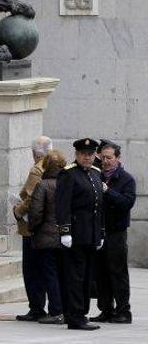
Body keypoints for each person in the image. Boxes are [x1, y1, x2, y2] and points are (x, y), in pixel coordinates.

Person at [56, 138, 105, 331]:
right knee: (75, 277)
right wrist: (65, 231)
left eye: (91, 154)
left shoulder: (95, 174)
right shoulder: (69, 174)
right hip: (75, 234)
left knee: (86, 276)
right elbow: (62, 205)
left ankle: (81, 313)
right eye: (84, 154)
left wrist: (100, 232)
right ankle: (75, 316)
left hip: (91, 234)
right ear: (77, 155)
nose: (88, 157)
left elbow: (99, 207)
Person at [91, 139, 136, 324]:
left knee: (118, 273)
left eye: (109, 158)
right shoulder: (97, 175)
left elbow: (127, 203)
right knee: (100, 273)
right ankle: (106, 309)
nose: (105, 161)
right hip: (99, 232)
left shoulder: (126, 179)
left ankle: (124, 311)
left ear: (118, 158)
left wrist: (108, 191)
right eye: (103, 158)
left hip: (116, 232)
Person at [14, 135, 53, 322]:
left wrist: (17, 211)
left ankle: (36, 307)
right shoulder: (58, 167)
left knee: (31, 270)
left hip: (32, 227)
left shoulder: (37, 170)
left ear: (34, 154)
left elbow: (31, 198)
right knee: (47, 269)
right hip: (50, 228)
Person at [28, 149, 68, 325]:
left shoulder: (43, 185)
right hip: (66, 237)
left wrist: (33, 228)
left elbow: (36, 212)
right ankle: (64, 309)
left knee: (50, 275)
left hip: (46, 238)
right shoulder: (68, 184)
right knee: (62, 275)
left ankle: (56, 311)